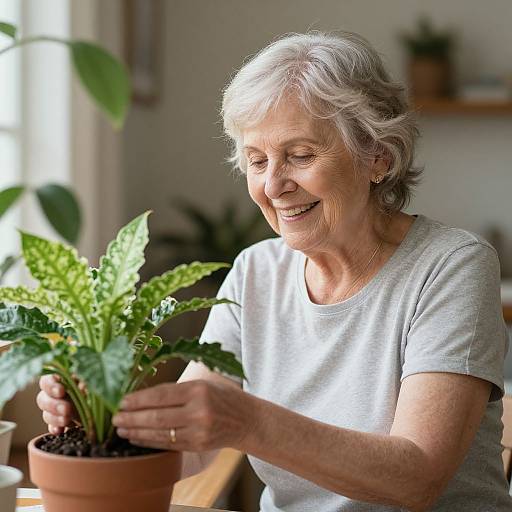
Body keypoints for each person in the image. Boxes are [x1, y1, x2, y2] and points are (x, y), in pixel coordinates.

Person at [37, 31, 511, 511]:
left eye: (301, 156)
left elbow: (417, 477)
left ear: (378, 157)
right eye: (256, 161)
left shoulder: (452, 266)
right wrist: (97, 423)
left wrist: (247, 422)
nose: (273, 185)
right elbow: (190, 447)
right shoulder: (256, 272)